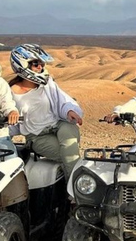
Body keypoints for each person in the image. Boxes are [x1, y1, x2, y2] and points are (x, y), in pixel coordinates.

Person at [9, 44, 83, 179]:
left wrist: (69, 111)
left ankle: (74, 191)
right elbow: (9, 122)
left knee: (69, 135)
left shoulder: (47, 84)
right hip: (37, 136)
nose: (40, 67)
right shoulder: (9, 93)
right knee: (69, 156)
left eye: (42, 64)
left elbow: (61, 100)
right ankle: (76, 190)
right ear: (22, 63)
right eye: (35, 63)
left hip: (58, 125)